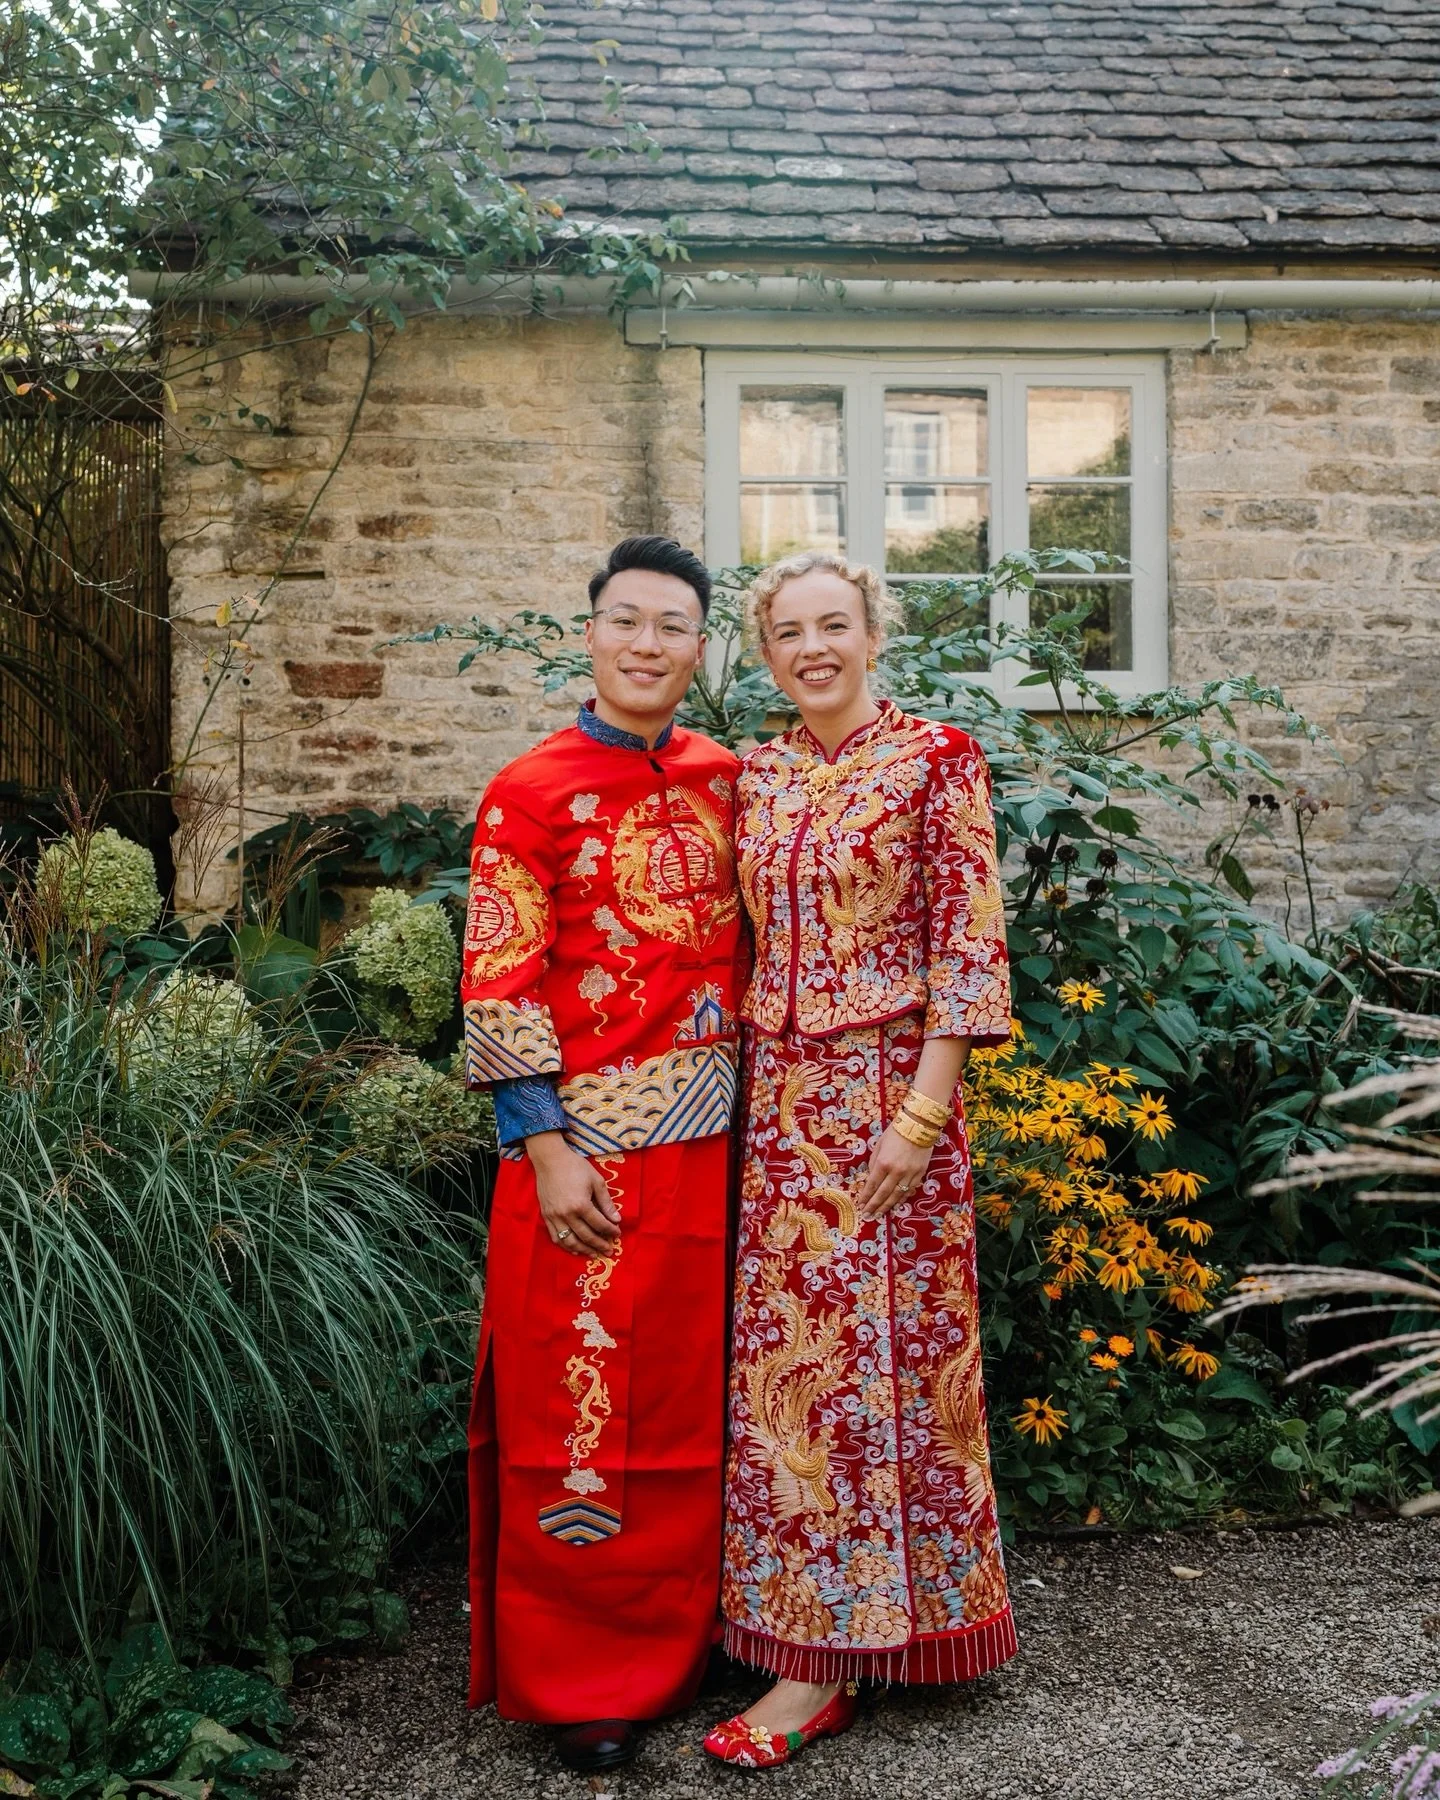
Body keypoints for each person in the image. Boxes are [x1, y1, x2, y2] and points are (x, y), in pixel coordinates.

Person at [704, 551, 1017, 1770]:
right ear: (767, 651)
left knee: (898, 1368)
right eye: (787, 631)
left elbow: (969, 945)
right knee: (797, 1374)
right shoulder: (759, 773)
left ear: (874, 634)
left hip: (895, 1107)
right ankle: (815, 1636)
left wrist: (921, 1119)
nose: (811, 647)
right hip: (780, 1114)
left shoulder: (938, 759)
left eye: (834, 624)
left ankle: (852, 1655)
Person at [461, 535, 745, 1774]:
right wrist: (545, 1144)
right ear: (589, 634)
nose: (646, 645)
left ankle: (694, 1644)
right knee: (579, 1410)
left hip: (721, 1155)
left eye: (671, 626)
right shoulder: (527, 791)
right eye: (625, 621)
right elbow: (500, 973)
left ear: (700, 647)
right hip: (583, 1159)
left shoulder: (731, 778)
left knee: (696, 1402)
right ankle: (584, 1682)